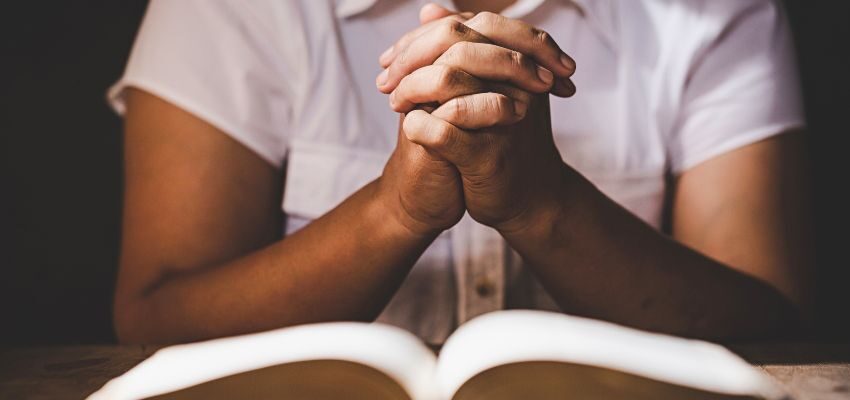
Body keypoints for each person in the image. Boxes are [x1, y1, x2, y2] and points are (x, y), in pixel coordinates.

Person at [109, 0, 812, 345]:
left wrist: (544, 204)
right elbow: (152, 318)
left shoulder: (711, 14)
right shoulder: (231, 9)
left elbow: (774, 332)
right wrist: (396, 212)